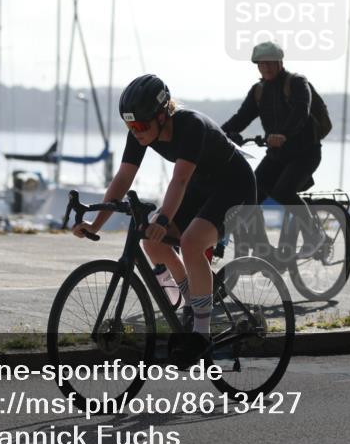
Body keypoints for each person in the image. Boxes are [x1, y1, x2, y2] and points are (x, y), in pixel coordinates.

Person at [71, 74, 256, 361]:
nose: (135, 132)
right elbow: (123, 179)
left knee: (191, 242)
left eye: (140, 126)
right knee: (151, 242)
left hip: (235, 188)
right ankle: (190, 302)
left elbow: (179, 180)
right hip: (201, 187)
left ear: (161, 115)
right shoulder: (141, 133)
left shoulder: (191, 125)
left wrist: (163, 219)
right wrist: (96, 224)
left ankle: (201, 333)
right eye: (129, 126)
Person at [221, 41, 323, 257]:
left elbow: (301, 112)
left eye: (270, 63)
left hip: (305, 153)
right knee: (250, 195)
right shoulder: (259, 91)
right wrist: (218, 134)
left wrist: (283, 134)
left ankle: (314, 234)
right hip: (277, 155)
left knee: (283, 192)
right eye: (261, 64)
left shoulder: (297, 83)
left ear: (280, 62)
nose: (265, 67)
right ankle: (264, 250)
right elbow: (241, 118)